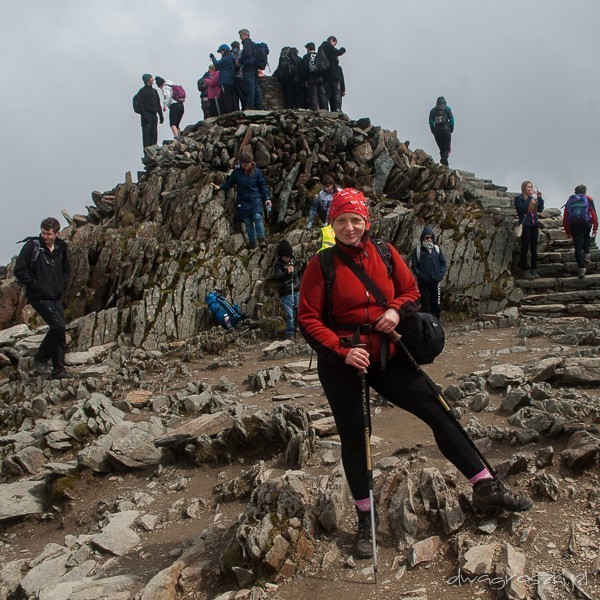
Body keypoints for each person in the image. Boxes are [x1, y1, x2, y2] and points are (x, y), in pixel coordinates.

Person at [298, 188, 533, 559]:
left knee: (437, 410)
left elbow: (411, 292)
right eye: (340, 220)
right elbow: (308, 319)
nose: (348, 226)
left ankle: (485, 486)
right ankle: (365, 518)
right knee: (356, 436)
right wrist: (343, 351)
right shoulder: (321, 265)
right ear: (332, 223)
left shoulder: (386, 254)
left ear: (366, 222)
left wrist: (394, 311)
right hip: (343, 363)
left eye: (355, 219)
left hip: (389, 354)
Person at [14, 217, 73, 380]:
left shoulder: (61, 248)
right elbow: (19, 270)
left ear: (57, 233)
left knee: (60, 332)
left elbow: (66, 270)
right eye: (43, 233)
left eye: (48, 233)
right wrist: (34, 284)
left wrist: (63, 284)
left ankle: (59, 370)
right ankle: (40, 359)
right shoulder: (32, 246)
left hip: (55, 295)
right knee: (58, 326)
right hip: (38, 296)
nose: (45, 236)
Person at [211, 146, 271, 249]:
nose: (246, 167)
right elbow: (229, 183)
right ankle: (253, 244)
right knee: (248, 223)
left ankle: (262, 240)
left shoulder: (256, 171)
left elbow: (262, 186)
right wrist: (220, 186)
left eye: (247, 165)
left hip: (255, 199)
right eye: (244, 165)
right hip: (242, 202)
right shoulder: (236, 172)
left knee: (257, 217)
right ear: (241, 163)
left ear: (251, 163)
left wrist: (267, 199)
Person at [410, 226, 447, 319]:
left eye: (431, 237)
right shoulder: (418, 250)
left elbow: (443, 263)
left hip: (435, 281)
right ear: (423, 238)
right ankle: (426, 324)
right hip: (423, 283)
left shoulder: (437, 249)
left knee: (436, 304)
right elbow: (414, 266)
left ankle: (436, 324)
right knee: (425, 304)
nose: (429, 239)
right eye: (427, 237)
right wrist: (421, 276)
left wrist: (440, 274)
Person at [563, 184, 598, 278]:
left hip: (574, 225)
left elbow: (566, 216)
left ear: (575, 191)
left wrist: (567, 231)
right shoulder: (588, 198)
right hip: (586, 224)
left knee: (577, 247)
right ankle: (586, 255)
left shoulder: (570, 200)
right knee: (586, 238)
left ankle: (581, 269)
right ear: (585, 191)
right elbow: (593, 214)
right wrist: (595, 227)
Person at [514, 181, 544, 280]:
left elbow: (540, 209)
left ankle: (534, 269)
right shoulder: (519, 199)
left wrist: (539, 198)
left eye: (531, 187)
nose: (530, 189)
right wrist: (530, 198)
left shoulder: (533, 200)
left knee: (534, 248)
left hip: (534, 225)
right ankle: (525, 270)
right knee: (525, 248)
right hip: (525, 225)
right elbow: (522, 209)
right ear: (524, 188)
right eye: (528, 187)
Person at [274, 240, 301, 340]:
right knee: (290, 314)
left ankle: (297, 327)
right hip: (286, 292)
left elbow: (299, 270)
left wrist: (294, 272)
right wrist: (286, 272)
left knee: (298, 309)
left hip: (296, 289)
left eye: (289, 256)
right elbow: (278, 277)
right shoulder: (278, 265)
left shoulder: (293, 261)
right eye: (285, 256)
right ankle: (290, 332)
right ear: (281, 256)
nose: (287, 258)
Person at [318, 36, 346, 112]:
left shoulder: (321, 49)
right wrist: (343, 50)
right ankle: (337, 109)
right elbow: (338, 52)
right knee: (336, 93)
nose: (334, 47)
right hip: (333, 74)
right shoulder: (327, 45)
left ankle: (325, 109)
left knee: (327, 93)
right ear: (332, 40)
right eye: (334, 44)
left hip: (325, 75)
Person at [239, 29, 264, 110]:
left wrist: (239, 61)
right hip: (254, 68)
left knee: (251, 87)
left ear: (246, 35)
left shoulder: (247, 43)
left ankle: (250, 106)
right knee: (256, 87)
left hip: (249, 68)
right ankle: (259, 106)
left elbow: (247, 53)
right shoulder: (252, 44)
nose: (240, 38)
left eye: (241, 35)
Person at [137, 74, 163, 149]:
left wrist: (160, 115)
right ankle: (147, 151)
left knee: (154, 133)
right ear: (147, 80)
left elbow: (158, 104)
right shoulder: (142, 91)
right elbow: (140, 104)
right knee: (146, 134)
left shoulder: (154, 91)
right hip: (146, 115)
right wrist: (144, 114)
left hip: (154, 115)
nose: (152, 79)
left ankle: (154, 149)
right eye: (151, 78)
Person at [210, 44, 236, 114]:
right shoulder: (231, 57)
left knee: (226, 97)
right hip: (230, 80)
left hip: (225, 80)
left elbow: (217, 65)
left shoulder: (226, 58)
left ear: (224, 50)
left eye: (221, 51)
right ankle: (230, 111)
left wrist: (213, 58)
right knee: (228, 96)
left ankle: (228, 112)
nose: (220, 53)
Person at [428, 97, 454, 166]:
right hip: (446, 130)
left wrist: (433, 130)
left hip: (437, 132)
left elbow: (430, 122)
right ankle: (443, 161)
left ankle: (443, 165)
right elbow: (452, 119)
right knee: (447, 149)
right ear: (444, 102)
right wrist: (451, 128)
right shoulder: (447, 108)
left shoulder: (432, 111)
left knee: (442, 149)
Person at [302, 42, 327, 110]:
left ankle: (315, 108)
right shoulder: (319, 55)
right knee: (322, 94)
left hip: (311, 78)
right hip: (320, 77)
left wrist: (306, 80)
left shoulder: (306, 56)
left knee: (313, 94)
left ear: (308, 48)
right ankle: (324, 109)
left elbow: (305, 69)